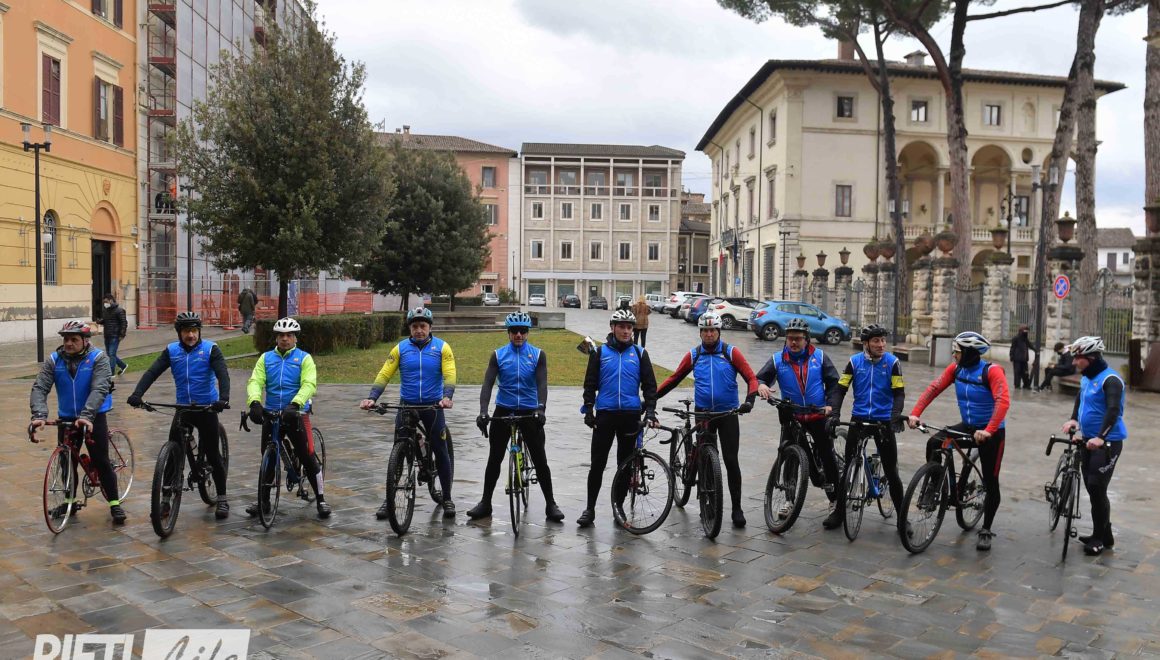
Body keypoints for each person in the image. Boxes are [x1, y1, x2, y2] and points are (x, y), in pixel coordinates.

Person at [908, 331, 1009, 551]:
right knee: (934, 442)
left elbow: (1002, 402)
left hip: (991, 433)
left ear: (970, 353)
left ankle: (986, 529)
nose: (954, 355)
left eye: (957, 352)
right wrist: (915, 413)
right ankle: (934, 485)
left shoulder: (991, 371)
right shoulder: (956, 369)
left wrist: (989, 430)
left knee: (991, 481)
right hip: (968, 426)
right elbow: (934, 388)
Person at [656, 312, 758, 526]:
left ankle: (737, 509)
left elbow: (751, 377)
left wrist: (749, 401)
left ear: (718, 332)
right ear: (700, 333)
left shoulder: (731, 352)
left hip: (728, 413)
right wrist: (651, 398)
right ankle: (708, 502)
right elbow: (674, 378)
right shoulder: (694, 355)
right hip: (703, 414)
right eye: (705, 331)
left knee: (731, 461)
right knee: (705, 459)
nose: (709, 334)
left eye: (712, 330)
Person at [127, 312, 232, 518]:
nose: (190, 335)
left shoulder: (211, 349)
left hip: (207, 408)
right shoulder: (172, 351)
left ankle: (222, 498)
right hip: (183, 408)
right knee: (173, 454)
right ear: (179, 333)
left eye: (194, 330)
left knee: (213, 453)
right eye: (186, 331)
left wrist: (224, 398)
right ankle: (166, 500)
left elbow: (223, 374)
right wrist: (137, 394)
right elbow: (152, 372)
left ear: (199, 331)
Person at [361, 307, 457, 518]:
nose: (419, 330)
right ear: (410, 328)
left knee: (440, 450)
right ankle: (389, 499)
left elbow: (450, 374)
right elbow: (384, 374)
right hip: (407, 405)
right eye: (415, 326)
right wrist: (372, 397)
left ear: (430, 327)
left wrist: (447, 396)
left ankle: (447, 497)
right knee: (398, 451)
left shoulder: (442, 347)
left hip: (433, 407)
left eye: (423, 326)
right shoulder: (400, 349)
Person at [469, 312, 564, 522]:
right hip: (504, 409)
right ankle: (485, 502)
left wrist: (541, 408)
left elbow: (542, 383)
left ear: (528, 332)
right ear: (508, 333)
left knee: (540, 459)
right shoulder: (498, 355)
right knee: (494, 458)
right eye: (514, 331)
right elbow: (487, 384)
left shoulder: (538, 355)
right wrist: (483, 411)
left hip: (530, 410)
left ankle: (551, 504)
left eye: (522, 331)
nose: (518, 335)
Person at [30, 321, 126, 524]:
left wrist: (87, 415)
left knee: (100, 460)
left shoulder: (98, 358)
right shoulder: (54, 360)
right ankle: (70, 502)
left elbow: (99, 388)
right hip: (67, 417)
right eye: (66, 339)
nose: (68, 343)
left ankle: (115, 503)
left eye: (74, 339)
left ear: (85, 340)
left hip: (93, 415)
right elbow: (40, 387)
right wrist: (39, 415)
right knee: (66, 461)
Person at [755, 317, 843, 530]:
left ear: (807, 339)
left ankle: (835, 499)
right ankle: (789, 499)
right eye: (790, 338)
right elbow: (759, 378)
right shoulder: (778, 359)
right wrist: (761, 386)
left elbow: (835, 383)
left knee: (827, 455)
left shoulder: (819, 357)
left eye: (798, 339)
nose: (793, 342)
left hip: (817, 414)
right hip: (792, 416)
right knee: (789, 456)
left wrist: (831, 406)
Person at [577, 309, 659, 527]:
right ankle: (590, 509)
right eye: (621, 326)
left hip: (630, 416)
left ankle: (618, 507)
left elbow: (650, 386)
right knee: (597, 464)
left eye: (629, 327)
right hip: (605, 415)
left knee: (624, 465)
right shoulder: (599, 352)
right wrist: (588, 410)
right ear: (612, 327)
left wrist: (650, 410)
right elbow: (590, 384)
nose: (625, 331)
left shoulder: (640, 353)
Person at [245, 317, 330, 518]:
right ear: (276, 338)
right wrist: (254, 402)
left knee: (307, 456)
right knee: (267, 457)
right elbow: (255, 381)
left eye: (289, 335)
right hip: (272, 413)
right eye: (281, 335)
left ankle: (321, 499)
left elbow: (309, 384)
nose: (285, 339)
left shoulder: (304, 358)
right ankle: (264, 501)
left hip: (296, 413)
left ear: (295, 338)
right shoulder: (266, 358)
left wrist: (296, 403)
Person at [829, 324, 907, 517]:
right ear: (866, 344)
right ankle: (839, 513)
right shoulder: (854, 362)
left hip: (883, 421)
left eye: (883, 340)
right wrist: (835, 414)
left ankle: (902, 518)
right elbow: (840, 389)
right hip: (859, 419)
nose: (881, 345)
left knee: (891, 472)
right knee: (849, 466)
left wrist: (895, 415)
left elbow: (899, 393)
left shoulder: (893, 363)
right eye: (876, 341)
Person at [1060, 336, 1125, 556]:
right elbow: (1081, 397)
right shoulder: (1087, 377)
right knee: (1091, 486)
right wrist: (1073, 419)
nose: (1074, 362)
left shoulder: (1111, 380)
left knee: (1097, 486)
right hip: (1088, 439)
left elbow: (1113, 410)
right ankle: (1105, 533)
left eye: (1078, 358)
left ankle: (1098, 538)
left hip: (1108, 442)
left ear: (1092, 358)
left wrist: (1100, 437)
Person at [99, 292, 128, 377]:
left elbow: (124, 323)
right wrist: (100, 321)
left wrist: (122, 334)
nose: (105, 304)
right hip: (107, 335)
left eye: (106, 301)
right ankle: (123, 365)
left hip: (115, 335)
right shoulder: (106, 311)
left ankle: (111, 373)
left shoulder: (119, 310)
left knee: (111, 354)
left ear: (111, 300)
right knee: (110, 354)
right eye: (104, 302)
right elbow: (106, 321)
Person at [1009, 324, 1032, 390]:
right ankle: (1017, 385)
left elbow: (1030, 345)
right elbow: (1012, 348)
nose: (1026, 332)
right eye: (1025, 331)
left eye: (1027, 331)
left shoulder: (1025, 339)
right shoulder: (1015, 338)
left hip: (1024, 359)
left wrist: (1035, 350)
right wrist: (1011, 356)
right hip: (1017, 359)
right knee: (1017, 372)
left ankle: (1026, 384)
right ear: (1021, 331)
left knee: (1025, 372)